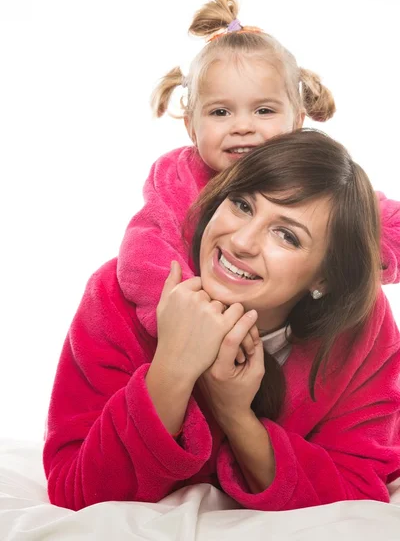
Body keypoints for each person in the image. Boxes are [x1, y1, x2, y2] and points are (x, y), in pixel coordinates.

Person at [43, 130, 400, 511]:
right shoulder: (116, 296)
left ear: (324, 277)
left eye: (286, 236)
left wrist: (234, 414)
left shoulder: (362, 334)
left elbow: (357, 493)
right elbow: (76, 490)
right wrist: (173, 368)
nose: (242, 241)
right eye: (243, 205)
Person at [116, 0, 338, 339]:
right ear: (191, 127)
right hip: (200, 334)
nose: (243, 127)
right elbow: (146, 254)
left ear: (297, 120)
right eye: (221, 112)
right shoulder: (176, 179)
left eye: (264, 110)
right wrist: (192, 322)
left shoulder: (309, 178)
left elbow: (369, 217)